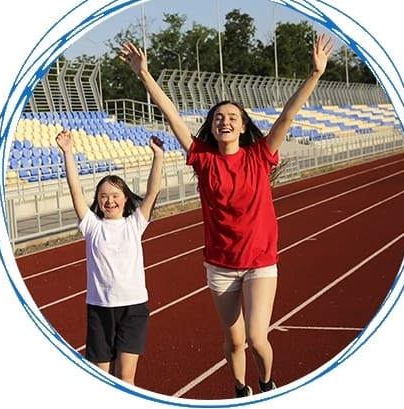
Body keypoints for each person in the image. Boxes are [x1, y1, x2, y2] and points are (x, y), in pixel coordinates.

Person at [119, 33, 333, 397]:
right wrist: (144, 74)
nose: (225, 121)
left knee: (255, 336)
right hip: (220, 265)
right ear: (213, 126)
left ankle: (267, 382)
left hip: (260, 261)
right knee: (234, 342)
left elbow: (288, 115)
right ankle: (240, 388)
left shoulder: (260, 155)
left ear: (244, 125)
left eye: (232, 117)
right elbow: (172, 116)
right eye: (218, 117)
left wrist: (314, 74)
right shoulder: (202, 159)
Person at [56, 129, 164, 385]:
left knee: (126, 377)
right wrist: (68, 153)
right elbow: (75, 191)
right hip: (100, 309)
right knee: (101, 376)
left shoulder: (135, 223)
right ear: (97, 200)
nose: (109, 200)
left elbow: (152, 192)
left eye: (115, 195)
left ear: (125, 199)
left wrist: (158, 156)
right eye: (103, 196)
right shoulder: (92, 225)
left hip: (133, 307)